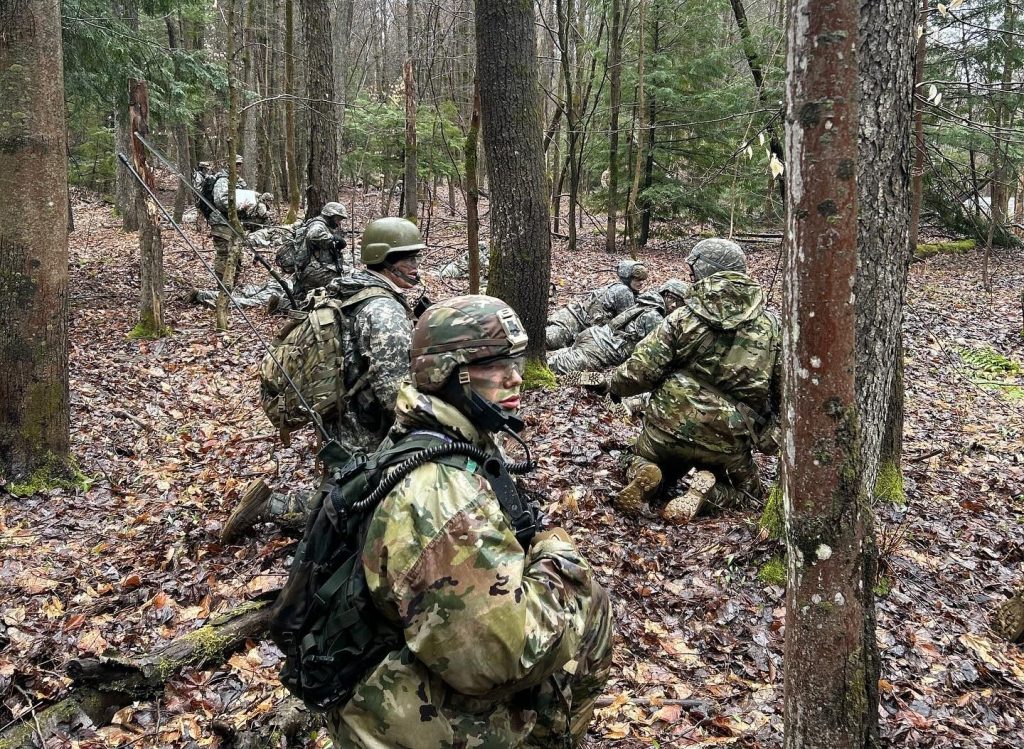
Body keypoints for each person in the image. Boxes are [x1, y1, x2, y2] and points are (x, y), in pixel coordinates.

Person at [324, 294, 613, 748]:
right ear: (448, 372)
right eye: (495, 365)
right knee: (590, 605)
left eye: (514, 361)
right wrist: (560, 558)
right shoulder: (437, 492)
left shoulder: (441, 437)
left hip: (403, 674)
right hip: (401, 718)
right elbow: (496, 659)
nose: (515, 377)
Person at [222, 218, 425, 537]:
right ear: (384, 261)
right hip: (365, 433)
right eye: (407, 258)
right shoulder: (384, 311)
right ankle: (272, 507)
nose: (415, 266)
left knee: (340, 498)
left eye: (416, 257)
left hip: (339, 418)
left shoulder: (350, 289)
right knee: (362, 509)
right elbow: (396, 398)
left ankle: (272, 506)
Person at [605, 239, 782, 524]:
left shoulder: (682, 317)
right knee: (751, 494)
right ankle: (709, 494)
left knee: (633, 457)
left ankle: (644, 473)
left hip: (666, 427)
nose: (690, 277)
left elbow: (641, 370)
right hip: (728, 442)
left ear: (704, 271)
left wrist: (615, 386)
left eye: (693, 270)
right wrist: (771, 436)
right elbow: (784, 395)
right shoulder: (772, 328)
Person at [550, 279, 689, 376]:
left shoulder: (645, 304)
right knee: (550, 367)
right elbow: (660, 354)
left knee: (549, 359)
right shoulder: (654, 316)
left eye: (679, 303)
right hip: (601, 349)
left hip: (595, 338)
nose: (674, 306)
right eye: (672, 298)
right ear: (663, 294)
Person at [545, 260, 648, 350]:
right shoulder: (624, 292)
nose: (641, 283)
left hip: (570, 317)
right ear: (628, 278)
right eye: (637, 279)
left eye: (642, 280)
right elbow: (628, 323)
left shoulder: (617, 287)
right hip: (571, 324)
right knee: (541, 341)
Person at [289, 201, 351, 296]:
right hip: (312, 271)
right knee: (351, 275)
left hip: (313, 269)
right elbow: (312, 235)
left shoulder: (323, 225)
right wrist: (333, 238)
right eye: (338, 219)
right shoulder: (318, 225)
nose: (339, 223)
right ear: (330, 216)